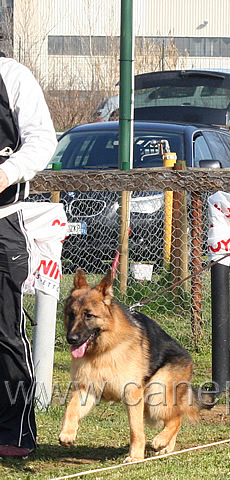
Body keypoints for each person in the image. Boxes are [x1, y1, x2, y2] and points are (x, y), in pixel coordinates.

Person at [0, 53, 58, 457]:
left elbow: (43, 140)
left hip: (3, 221)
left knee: (4, 331)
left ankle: (15, 432)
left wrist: (6, 173)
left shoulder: (13, 76)